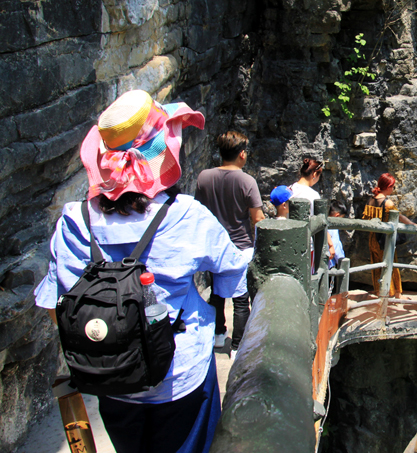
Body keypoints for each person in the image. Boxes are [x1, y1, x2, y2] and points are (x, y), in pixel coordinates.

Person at [35, 89, 252, 453]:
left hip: (110, 374)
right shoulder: (185, 214)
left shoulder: (75, 220)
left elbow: (57, 304)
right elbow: (231, 277)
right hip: (179, 375)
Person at [195, 131, 265, 356]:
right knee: (240, 299)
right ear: (242, 154)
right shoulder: (247, 181)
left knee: (216, 293)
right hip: (239, 247)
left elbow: (199, 212)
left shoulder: (204, 177)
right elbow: (257, 219)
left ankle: (217, 336)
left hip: (213, 247)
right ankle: (237, 347)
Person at [362, 173, 417, 296]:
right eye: (392, 186)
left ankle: (379, 292)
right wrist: (412, 224)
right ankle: (394, 294)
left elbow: (366, 220)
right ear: (387, 186)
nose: (393, 189)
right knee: (390, 265)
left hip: (373, 238)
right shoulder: (387, 203)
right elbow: (398, 216)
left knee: (377, 266)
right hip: (384, 239)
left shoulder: (371, 200)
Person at [289, 157, 336, 267]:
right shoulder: (313, 195)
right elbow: (321, 221)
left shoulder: (289, 189)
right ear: (314, 174)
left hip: (289, 240)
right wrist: (330, 244)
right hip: (305, 242)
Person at [328, 201, 346, 269]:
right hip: (330, 263)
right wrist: (341, 260)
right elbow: (336, 245)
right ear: (337, 215)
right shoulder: (333, 228)